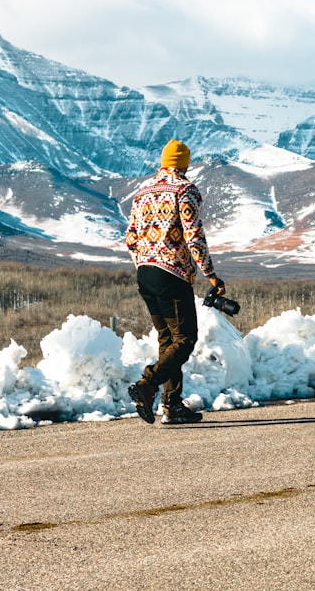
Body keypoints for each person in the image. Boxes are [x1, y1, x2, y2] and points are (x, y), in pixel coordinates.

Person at [125, 139, 226, 425]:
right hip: (173, 273)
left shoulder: (143, 191)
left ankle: (172, 406)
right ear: (185, 164)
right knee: (185, 338)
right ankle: (148, 383)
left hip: (145, 272)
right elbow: (194, 235)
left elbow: (130, 237)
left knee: (167, 339)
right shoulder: (185, 190)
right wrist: (210, 274)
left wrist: (146, 261)